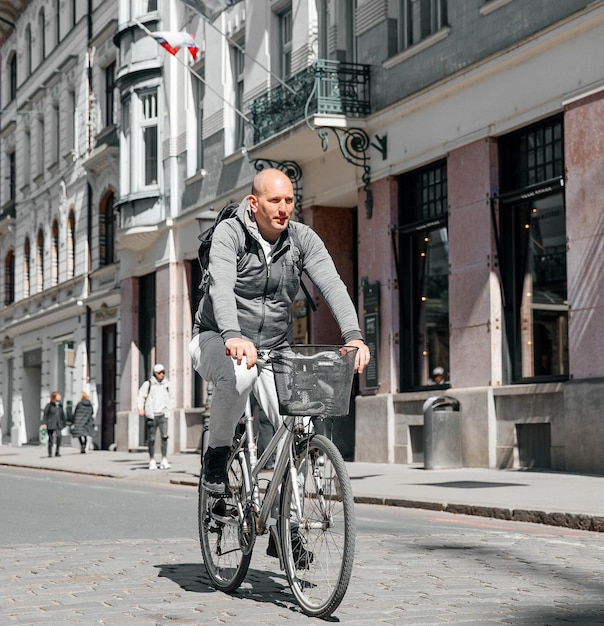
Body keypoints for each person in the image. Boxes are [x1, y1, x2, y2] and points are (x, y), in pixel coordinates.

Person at [188, 167, 370, 497]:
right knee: (239, 376)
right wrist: (232, 334)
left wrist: (353, 335)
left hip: (274, 348)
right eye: (274, 200)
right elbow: (222, 285)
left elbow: (331, 284)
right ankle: (216, 456)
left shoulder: (302, 239)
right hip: (215, 336)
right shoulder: (231, 234)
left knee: (299, 427)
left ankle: (286, 527)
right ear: (254, 203)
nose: (283, 208)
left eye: (289, 200)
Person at [137, 364, 174, 470]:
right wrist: (141, 408)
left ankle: (164, 459)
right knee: (151, 439)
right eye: (159, 373)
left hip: (163, 415)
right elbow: (141, 396)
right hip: (152, 415)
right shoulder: (148, 384)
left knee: (165, 437)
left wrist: (169, 408)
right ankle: (152, 460)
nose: (161, 375)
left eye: (163, 372)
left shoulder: (167, 384)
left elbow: (172, 397)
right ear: (155, 373)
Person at [41, 391, 66, 458]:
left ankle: (57, 451)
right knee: (50, 439)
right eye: (58, 396)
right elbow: (45, 415)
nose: (60, 397)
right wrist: (44, 423)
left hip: (58, 424)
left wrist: (64, 423)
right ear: (54, 397)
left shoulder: (60, 406)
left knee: (59, 437)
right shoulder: (49, 405)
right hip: (51, 424)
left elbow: (62, 415)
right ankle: (50, 452)